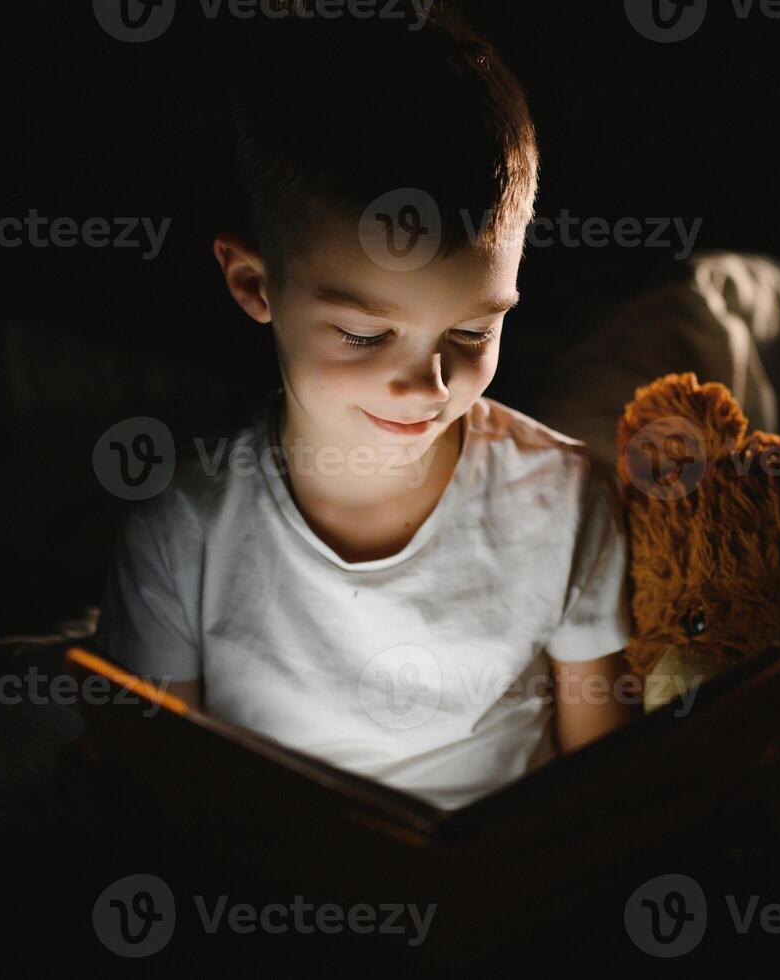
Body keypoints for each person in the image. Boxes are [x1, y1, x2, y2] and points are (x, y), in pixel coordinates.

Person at [96, 9, 638, 813]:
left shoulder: (564, 502)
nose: (426, 384)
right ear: (254, 285)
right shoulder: (185, 530)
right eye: (363, 333)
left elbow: (606, 791)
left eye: (471, 330)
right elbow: (156, 796)